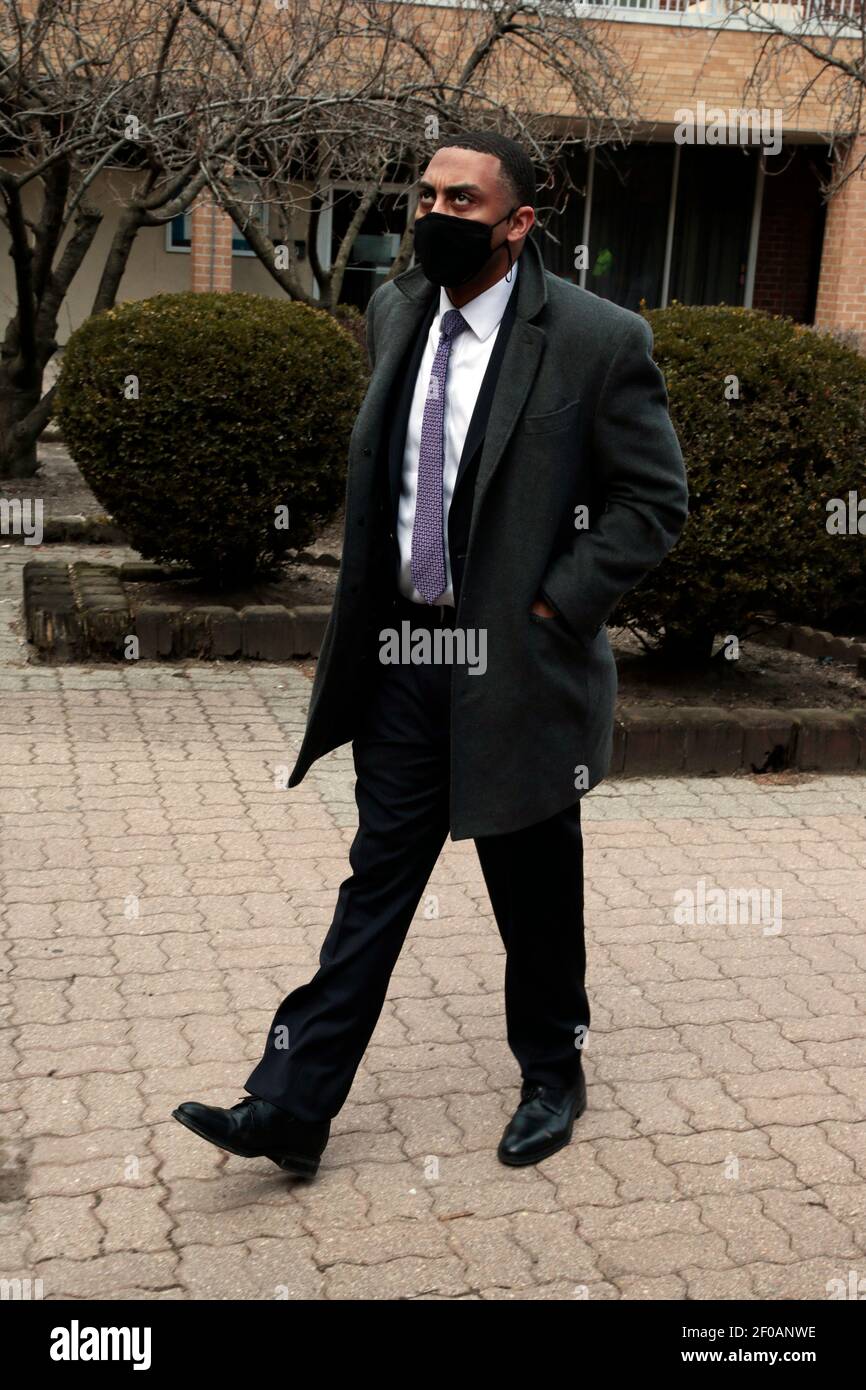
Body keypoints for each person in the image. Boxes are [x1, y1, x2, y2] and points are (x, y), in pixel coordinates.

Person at [173, 130, 688, 1180]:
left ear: (518, 222)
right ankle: (290, 1105)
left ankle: (553, 1073)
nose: (433, 215)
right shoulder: (397, 308)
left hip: (522, 664)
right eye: (425, 194)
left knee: (531, 889)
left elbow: (652, 500)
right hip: (406, 651)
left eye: (462, 200)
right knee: (377, 881)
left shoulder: (594, 338)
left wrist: (557, 605)